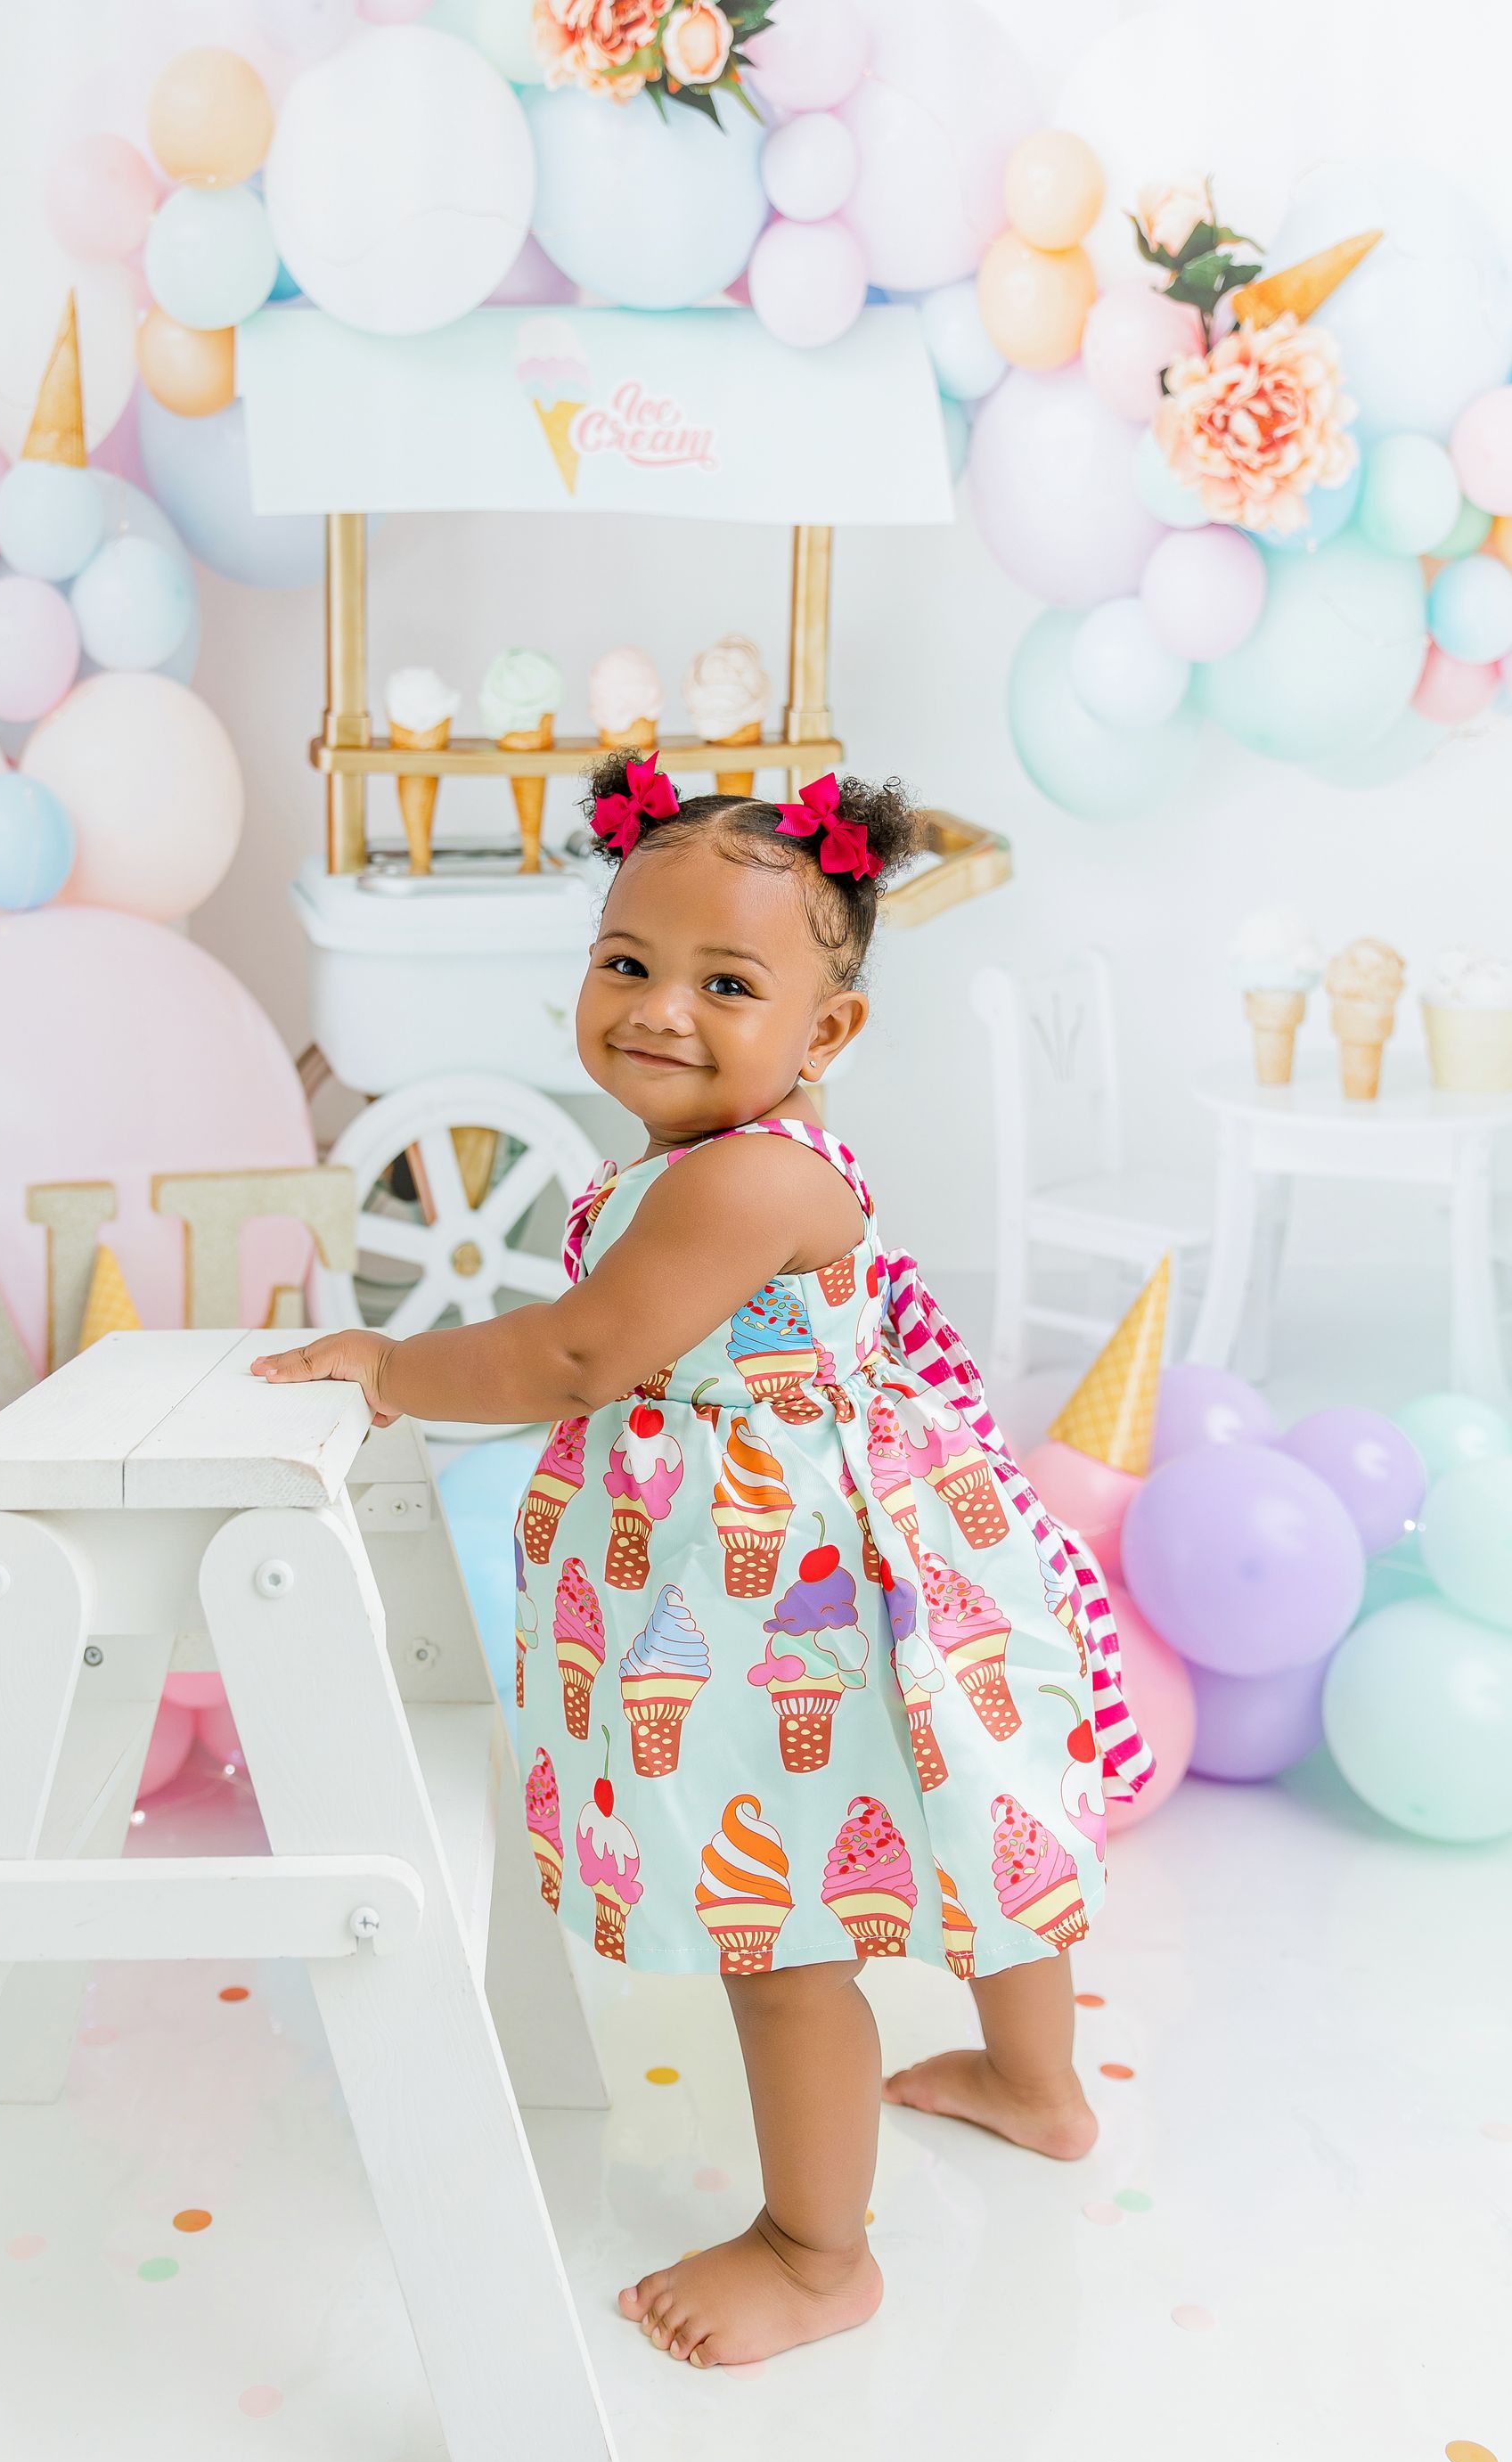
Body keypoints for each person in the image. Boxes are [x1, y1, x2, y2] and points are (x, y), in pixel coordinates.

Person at [254, 755, 1151, 2369]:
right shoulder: (728, 1155)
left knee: (783, 1931)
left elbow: (578, 1357)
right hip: (859, 1562)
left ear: (827, 1032)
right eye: (628, 963)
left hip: (789, 1603)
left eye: (726, 982)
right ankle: (1036, 2084)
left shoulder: (745, 1176)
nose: (661, 1008)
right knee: (979, 1805)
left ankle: (818, 2254)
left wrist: (388, 1367)